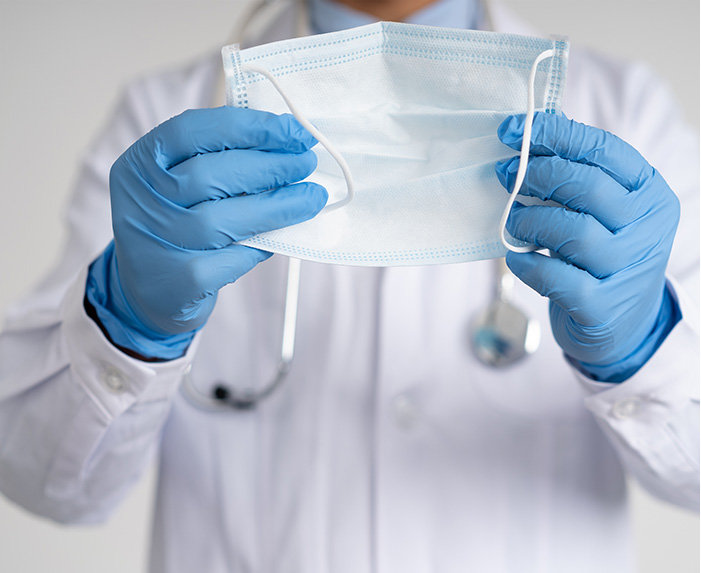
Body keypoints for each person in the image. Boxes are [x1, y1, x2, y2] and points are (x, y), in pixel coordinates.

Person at [0, 0, 698, 571]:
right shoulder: (167, 124)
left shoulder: (624, 111)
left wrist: (643, 345)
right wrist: (125, 323)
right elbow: (42, 478)